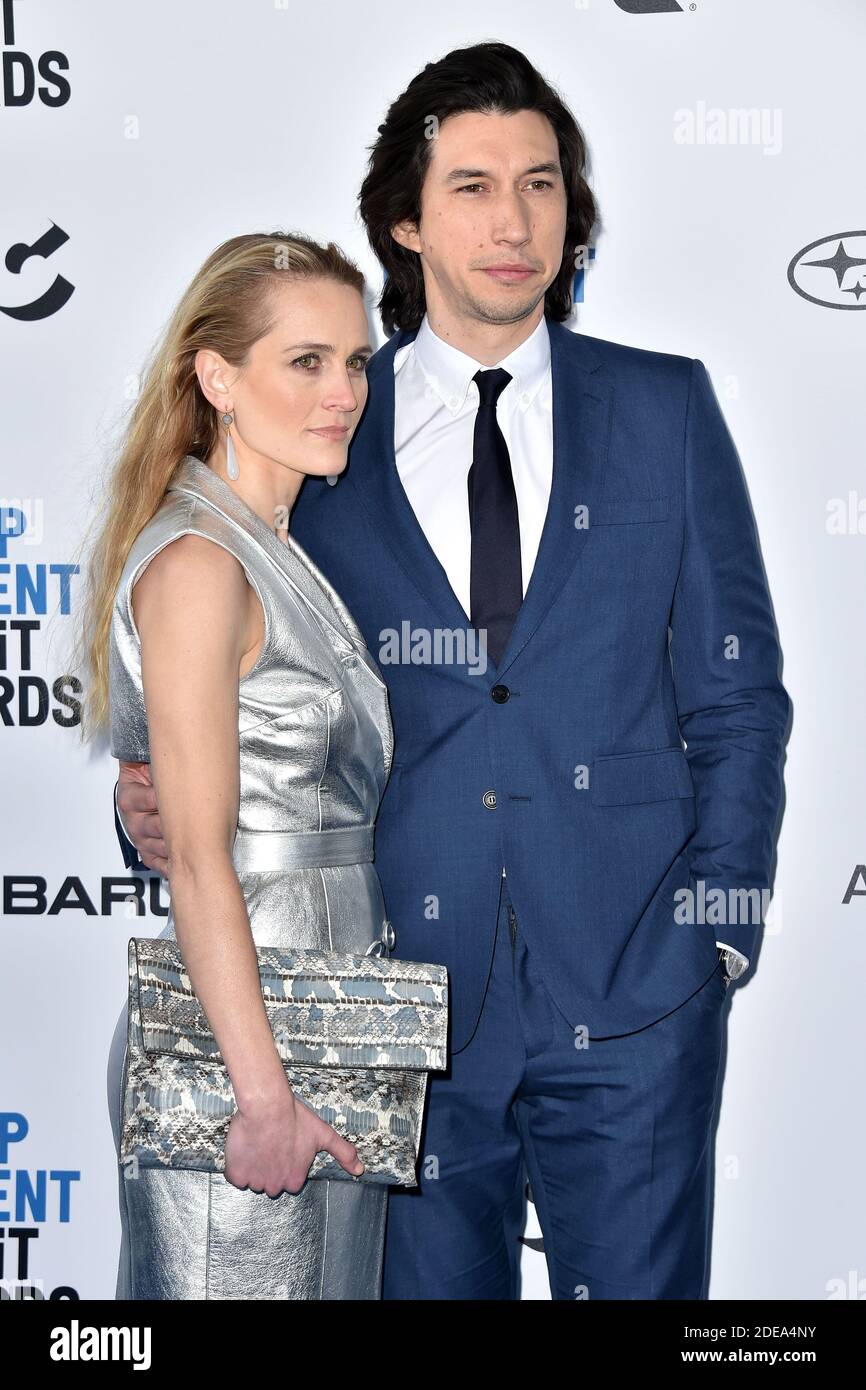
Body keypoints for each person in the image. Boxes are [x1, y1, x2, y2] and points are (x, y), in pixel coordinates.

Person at [116, 42, 791, 1300]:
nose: (513, 221)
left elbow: (738, 697)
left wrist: (716, 935)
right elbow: (245, 686)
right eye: (473, 186)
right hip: (397, 1019)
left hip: (637, 1003)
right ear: (404, 222)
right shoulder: (320, 436)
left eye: (539, 185)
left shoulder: (664, 408)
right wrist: (144, 798)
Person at [79, 232, 400, 1299]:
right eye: (304, 361)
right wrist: (260, 1099)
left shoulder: (270, 540)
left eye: (354, 361)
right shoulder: (202, 562)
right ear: (218, 377)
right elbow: (202, 857)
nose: (342, 390)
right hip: (247, 1040)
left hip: (323, 1015)